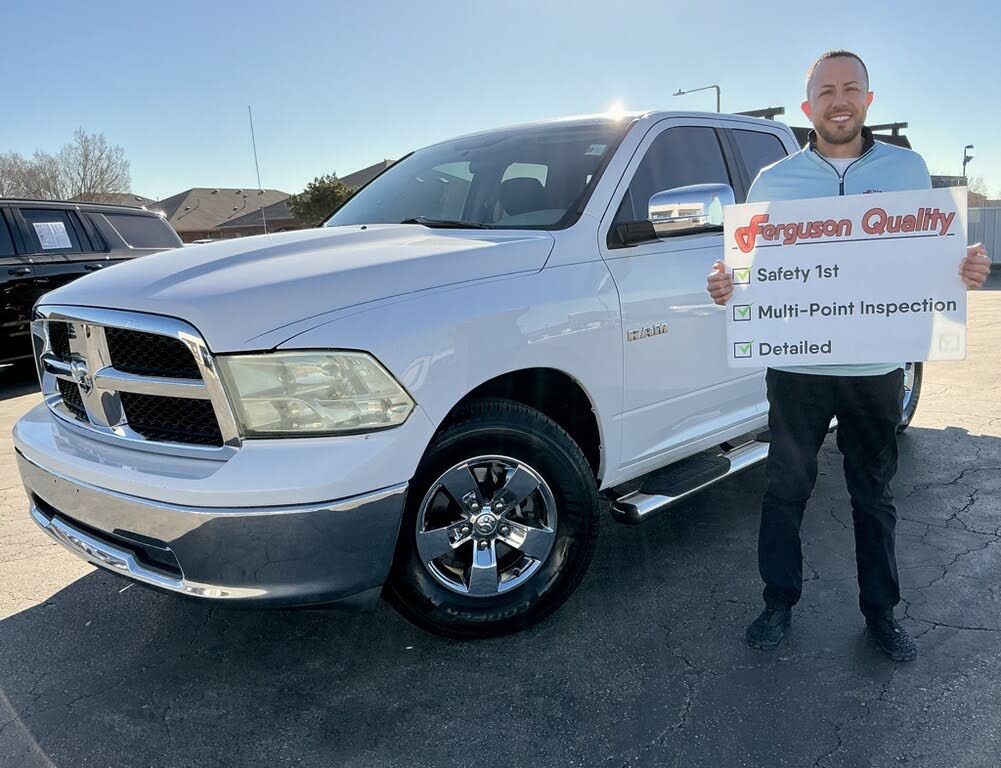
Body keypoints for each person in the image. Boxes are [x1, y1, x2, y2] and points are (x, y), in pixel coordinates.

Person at [707, 49, 992, 662]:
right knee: (785, 490)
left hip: (875, 369)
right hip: (798, 369)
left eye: (850, 89)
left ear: (868, 99)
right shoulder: (773, 182)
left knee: (874, 495)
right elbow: (748, 270)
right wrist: (727, 283)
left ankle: (881, 614)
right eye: (826, 92)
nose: (839, 101)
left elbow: (928, 258)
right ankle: (778, 603)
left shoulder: (908, 169)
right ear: (808, 106)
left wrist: (963, 269)